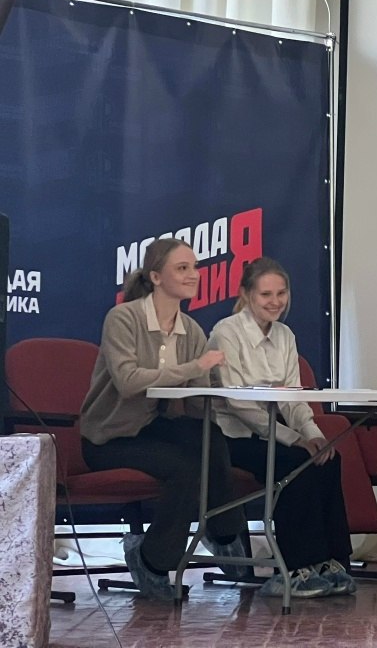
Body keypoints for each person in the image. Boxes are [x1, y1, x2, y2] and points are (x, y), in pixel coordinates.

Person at [80, 238, 249, 600]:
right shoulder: (123, 318)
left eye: (195, 267)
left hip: (153, 427)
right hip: (109, 437)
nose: (193, 275)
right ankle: (151, 561)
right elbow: (128, 382)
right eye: (182, 268)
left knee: (209, 435)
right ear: (156, 277)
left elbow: (196, 401)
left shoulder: (191, 330)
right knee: (184, 467)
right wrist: (194, 367)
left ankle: (223, 534)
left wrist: (225, 387)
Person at [208, 257, 355, 599]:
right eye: (266, 294)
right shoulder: (225, 332)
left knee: (327, 458)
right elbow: (238, 403)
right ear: (247, 295)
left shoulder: (285, 335)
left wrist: (313, 435)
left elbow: (292, 398)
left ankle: (332, 562)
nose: (275, 301)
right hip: (230, 436)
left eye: (281, 293)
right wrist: (293, 439)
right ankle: (295, 568)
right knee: (296, 462)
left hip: (271, 433)